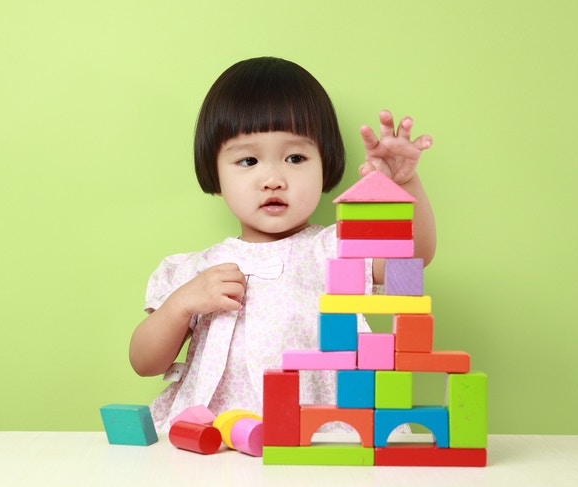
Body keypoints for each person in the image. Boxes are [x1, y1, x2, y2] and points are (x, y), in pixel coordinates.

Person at [129, 57, 436, 432]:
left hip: (321, 437)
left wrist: (403, 187)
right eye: (248, 160)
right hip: (217, 442)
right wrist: (179, 305)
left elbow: (412, 258)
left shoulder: (333, 250)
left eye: (295, 157)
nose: (273, 179)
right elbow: (145, 363)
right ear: (215, 170)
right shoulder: (194, 270)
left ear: (326, 163)